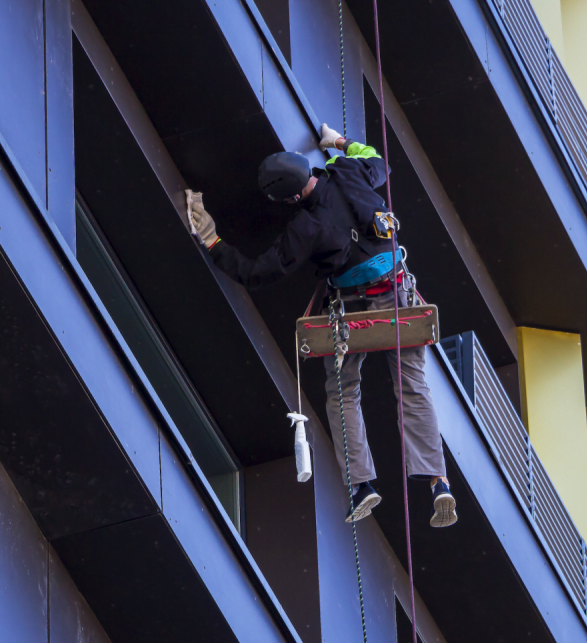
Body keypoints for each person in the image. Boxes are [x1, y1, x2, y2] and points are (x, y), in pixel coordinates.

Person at [187, 124, 457, 528]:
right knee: (412, 386)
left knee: (343, 390)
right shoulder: (349, 170)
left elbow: (259, 271)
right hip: (397, 295)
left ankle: (362, 485)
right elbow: (378, 161)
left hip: (351, 308)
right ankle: (438, 480)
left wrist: (211, 241)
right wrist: (337, 142)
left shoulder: (306, 228)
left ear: (292, 198)